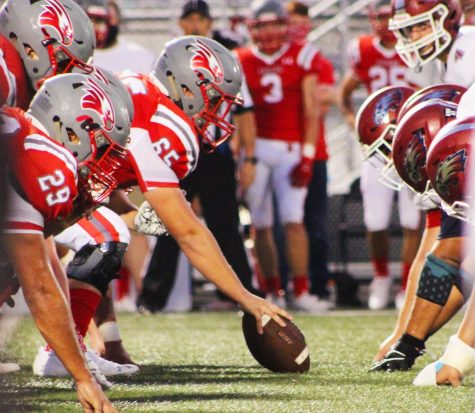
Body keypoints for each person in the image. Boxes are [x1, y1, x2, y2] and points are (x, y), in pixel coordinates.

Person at [3, 71, 129, 411]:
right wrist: (83, 379)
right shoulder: (43, 161)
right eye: (101, 147)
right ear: (70, 130)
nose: (103, 161)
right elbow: (41, 289)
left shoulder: (18, 126)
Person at [137, 0, 261, 313]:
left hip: (214, 151)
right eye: (189, 19)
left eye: (200, 19)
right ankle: (153, 298)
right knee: (168, 223)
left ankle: (240, 293)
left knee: (226, 225)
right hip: (177, 151)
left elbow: (244, 113)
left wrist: (250, 158)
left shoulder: (226, 59)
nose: (195, 25)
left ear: (209, 24)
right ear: (181, 23)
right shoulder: (167, 59)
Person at [371, 0, 475, 370]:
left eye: (419, 26)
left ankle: (425, 349)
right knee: (453, 252)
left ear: (446, 17)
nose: (412, 36)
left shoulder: (468, 52)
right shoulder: (448, 59)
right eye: (407, 29)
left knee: (452, 252)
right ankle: (412, 345)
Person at [236, 0, 328, 312]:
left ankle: (300, 291)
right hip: (257, 147)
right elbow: (238, 114)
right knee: (260, 223)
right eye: (262, 25)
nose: (269, 31)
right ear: (252, 28)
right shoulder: (241, 58)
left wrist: (308, 155)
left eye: (274, 23)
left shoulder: (303, 54)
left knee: (293, 220)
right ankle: (271, 289)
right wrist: (242, 154)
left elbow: (311, 110)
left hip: (290, 147)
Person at [338, 0, 421, 310]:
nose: (385, 22)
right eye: (380, 16)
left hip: (412, 141)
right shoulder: (362, 49)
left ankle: (407, 282)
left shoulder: (415, 45)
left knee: (413, 219)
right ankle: (381, 278)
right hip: (376, 146)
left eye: (390, 16)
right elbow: (344, 93)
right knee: (376, 219)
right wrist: (353, 121)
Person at [286, 1, 337, 302]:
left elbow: (323, 100)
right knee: (281, 225)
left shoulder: (314, 59)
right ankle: (287, 286)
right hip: (283, 148)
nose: (295, 25)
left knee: (313, 224)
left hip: (313, 151)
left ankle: (318, 286)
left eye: (301, 19)